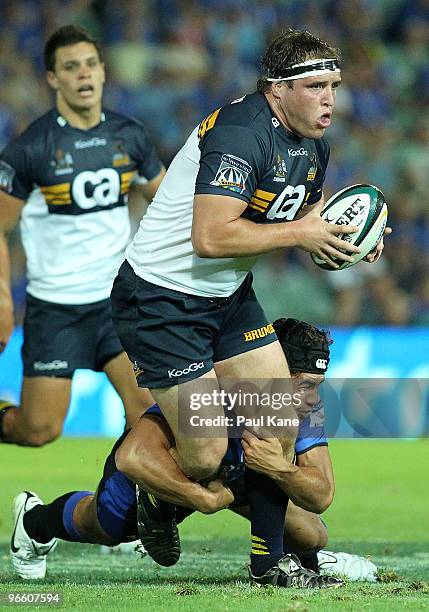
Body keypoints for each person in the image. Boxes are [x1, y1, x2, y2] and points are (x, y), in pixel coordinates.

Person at [110, 29, 387, 582]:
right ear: (277, 89)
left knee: (275, 417)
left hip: (227, 296)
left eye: (334, 85)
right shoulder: (241, 134)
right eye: (315, 87)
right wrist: (304, 232)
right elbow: (210, 237)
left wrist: (343, 242)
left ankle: (267, 565)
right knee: (207, 456)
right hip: (162, 299)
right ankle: (158, 499)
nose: (330, 99)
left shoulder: (313, 146)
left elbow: (294, 231)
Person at [10, 318, 377, 586]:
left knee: (312, 533)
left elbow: (321, 493)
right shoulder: (208, 392)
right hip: (162, 479)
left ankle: (295, 562)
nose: (311, 398)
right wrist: (200, 498)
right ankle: (34, 522)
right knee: (104, 526)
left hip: (233, 478)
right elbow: (133, 456)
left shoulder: (303, 407)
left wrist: (282, 470)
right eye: (304, 384)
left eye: (316, 386)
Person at [0, 25, 165, 447]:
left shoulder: (130, 135)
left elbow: (167, 204)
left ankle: (126, 509)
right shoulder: (30, 149)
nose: (83, 75)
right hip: (56, 309)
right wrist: (2, 297)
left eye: (90, 65)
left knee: (147, 411)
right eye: (71, 68)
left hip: (117, 300)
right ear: (53, 79)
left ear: (103, 72)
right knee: (39, 430)